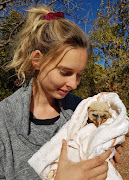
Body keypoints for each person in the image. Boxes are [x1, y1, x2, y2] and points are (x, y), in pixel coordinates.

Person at [0, 4, 123, 180]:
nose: (73, 84)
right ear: (37, 61)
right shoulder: (4, 121)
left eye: (79, 75)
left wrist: (105, 143)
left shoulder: (80, 110)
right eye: (65, 72)